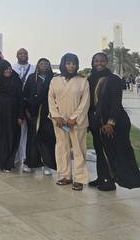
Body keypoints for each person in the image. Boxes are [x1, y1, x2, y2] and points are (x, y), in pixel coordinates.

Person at [88, 53, 140, 191]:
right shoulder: (90, 79)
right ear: (92, 62)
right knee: (100, 150)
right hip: (97, 122)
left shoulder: (113, 79)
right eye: (96, 60)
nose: (99, 63)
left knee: (113, 151)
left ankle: (110, 181)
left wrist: (110, 123)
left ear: (107, 62)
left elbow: (116, 103)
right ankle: (102, 177)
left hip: (114, 123)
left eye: (102, 61)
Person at [48, 53, 90, 191]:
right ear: (63, 64)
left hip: (77, 122)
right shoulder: (55, 80)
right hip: (60, 121)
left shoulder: (83, 81)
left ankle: (79, 178)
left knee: (79, 150)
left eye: (74, 64)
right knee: (62, 148)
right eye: (68, 63)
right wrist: (57, 116)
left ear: (77, 65)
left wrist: (74, 118)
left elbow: (85, 102)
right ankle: (65, 175)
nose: (71, 66)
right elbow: (51, 99)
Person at [0, 60, 24, 172]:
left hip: (12, 115)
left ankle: (8, 163)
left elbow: (21, 99)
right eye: (5, 69)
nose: (8, 71)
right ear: (0, 70)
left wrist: (20, 116)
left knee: (11, 138)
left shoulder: (16, 81)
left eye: (9, 68)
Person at [22, 58, 56, 175]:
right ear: (37, 66)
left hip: (48, 114)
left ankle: (47, 164)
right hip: (33, 113)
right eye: (41, 64)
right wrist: (26, 111)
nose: (44, 66)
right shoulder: (32, 78)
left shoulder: (54, 79)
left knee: (47, 139)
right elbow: (25, 95)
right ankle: (29, 163)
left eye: (47, 64)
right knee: (32, 139)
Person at [12, 48, 36, 171]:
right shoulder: (12, 67)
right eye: (20, 53)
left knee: (26, 132)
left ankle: (25, 158)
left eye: (25, 53)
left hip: (28, 104)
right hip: (14, 104)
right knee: (15, 130)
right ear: (17, 55)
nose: (23, 55)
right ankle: (15, 157)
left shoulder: (33, 68)